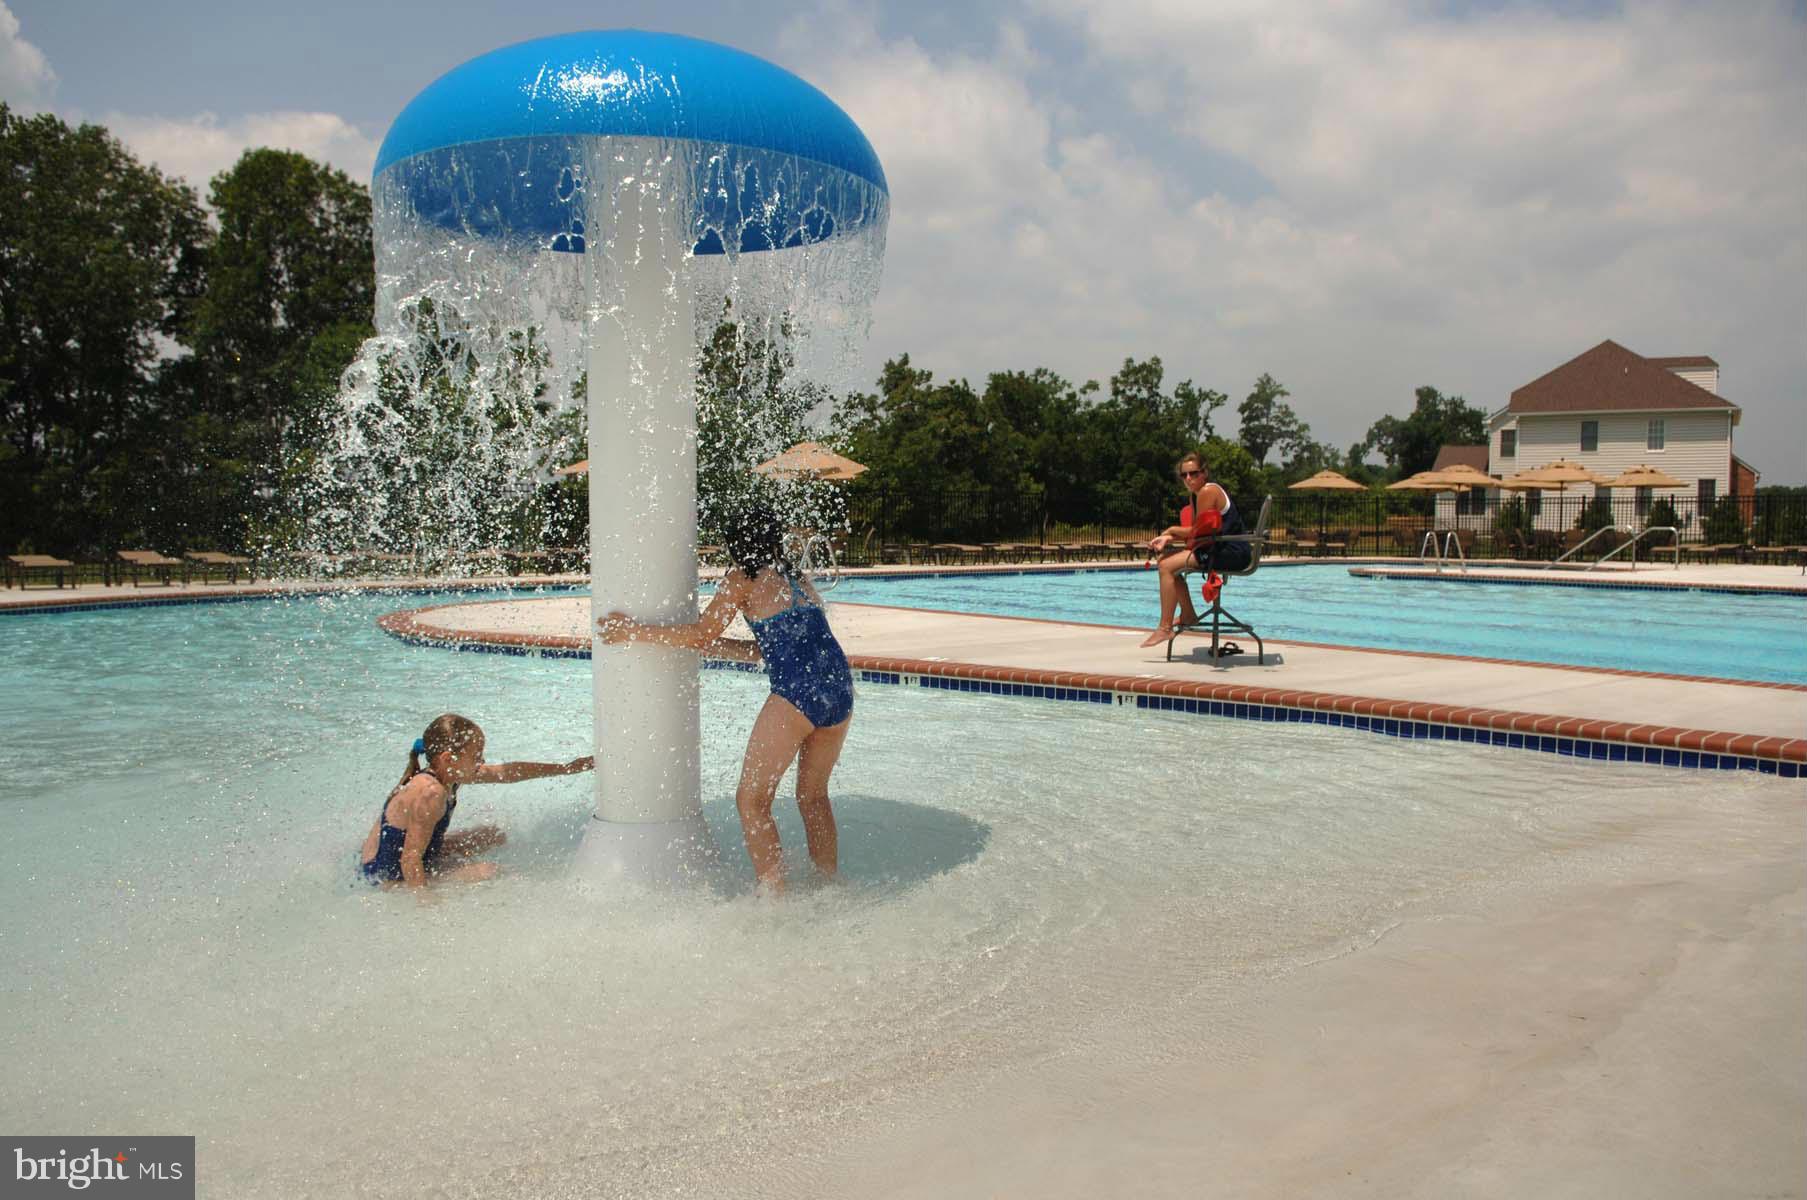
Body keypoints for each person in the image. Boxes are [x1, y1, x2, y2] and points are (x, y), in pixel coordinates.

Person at [597, 503, 854, 895]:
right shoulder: (795, 576)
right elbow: (767, 649)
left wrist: (634, 631)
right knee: (813, 796)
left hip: (798, 693)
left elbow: (700, 633)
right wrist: (714, 648)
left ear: (734, 543)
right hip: (839, 689)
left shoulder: (742, 578)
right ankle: (830, 886)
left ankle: (775, 899)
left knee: (751, 801)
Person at [358, 713, 593, 887]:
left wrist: (566, 768)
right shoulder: (431, 792)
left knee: (492, 835)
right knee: (490, 871)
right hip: (388, 876)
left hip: (413, 854)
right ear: (448, 758)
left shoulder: (448, 774)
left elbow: (507, 772)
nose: (482, 761)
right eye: (476, 756)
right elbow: (410, 859)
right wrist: (425, 907)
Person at [1141, 451, 1250, 648]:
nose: (1189, 479)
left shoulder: (1208, 491)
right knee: (1167, 564)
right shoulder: (1196, 496)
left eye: (1194, 473)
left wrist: (1171, 530)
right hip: (1218, 547)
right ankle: (1188, 615)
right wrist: (1167, 537)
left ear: (1205, 472)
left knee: (1166, 566)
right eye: (1184, 475)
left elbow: (1195, 532)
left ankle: (1165, 628)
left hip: (1232, 551)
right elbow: (1196, 532)